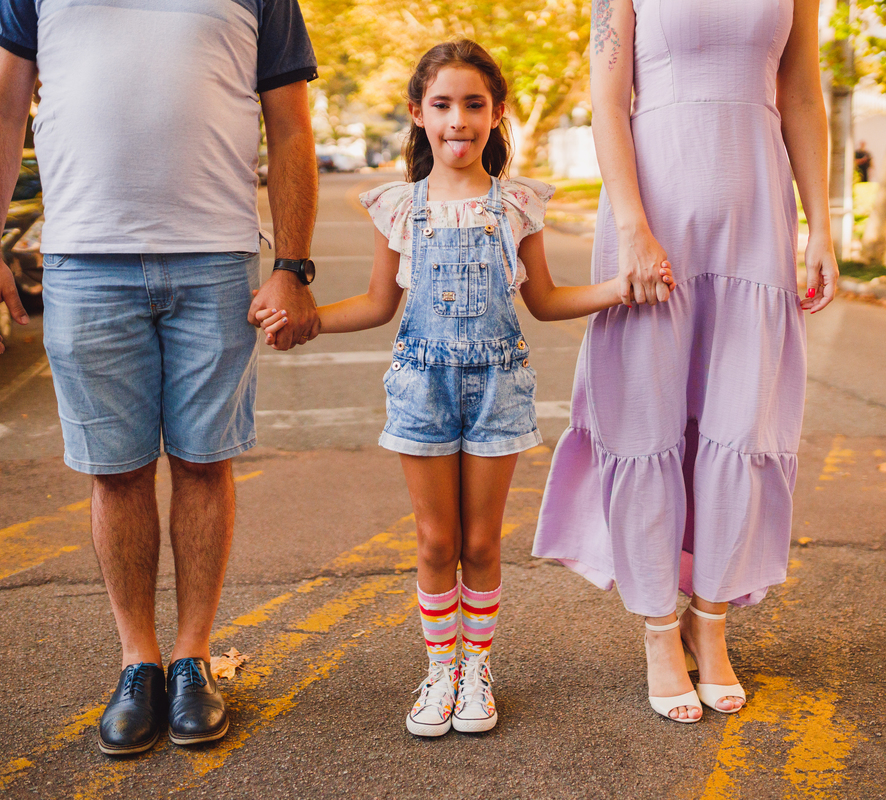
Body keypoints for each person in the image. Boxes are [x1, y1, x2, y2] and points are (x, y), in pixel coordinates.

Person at [256, 39, 673, 737]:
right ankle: (439, 669)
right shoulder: (398, 207)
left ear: (497, 113)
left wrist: (621, 290)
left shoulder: (518, 204)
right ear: (418, 113)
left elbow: (543, 301)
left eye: (473, 105)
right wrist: (306, 323)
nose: (458, 119)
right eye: (442, 104)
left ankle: (477, 669)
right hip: (420, 386)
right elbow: (376, 305)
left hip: (498, 386)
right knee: (431, 540)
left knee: (480, 543)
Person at [0, 0, 320, 755]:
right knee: (115, 471)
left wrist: (291, 266)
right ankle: (138, 663)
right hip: (85, 262)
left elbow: (290, 125)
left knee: (201, 461)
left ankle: (192, 660)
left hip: (216, 258)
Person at [532, 0, 839, 723]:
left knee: (740, 422)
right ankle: (658, 630)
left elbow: (800, 91)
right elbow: (608, 101)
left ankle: (711, 618)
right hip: (656, 210)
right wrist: (633, 225)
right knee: (646, 421)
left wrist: (822, 224)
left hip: (757, 219)